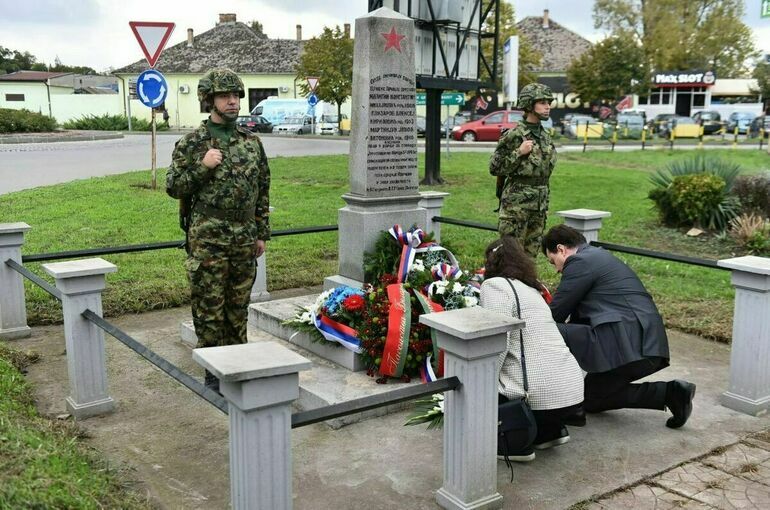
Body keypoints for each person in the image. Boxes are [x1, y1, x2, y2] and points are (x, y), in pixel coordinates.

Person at [166, 69, 271, 394]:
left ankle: (237, 366)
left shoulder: (251, 143)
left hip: (243, 236)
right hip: (208, 237)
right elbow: (173, 186)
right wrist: (203, 166)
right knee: (209, 305)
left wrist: (261, 232)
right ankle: (213, 373)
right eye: (226, 96)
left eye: (237, 96)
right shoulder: (193, 142)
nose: (233, 101)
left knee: (238, 305)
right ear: (209, 99)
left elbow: (263, 187)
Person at [542, 224, 696, 429]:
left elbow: (555, 314)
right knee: (590, 398)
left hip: (626, 342)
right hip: (645, 342)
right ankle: (671, 393)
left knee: (544, 330)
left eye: (553, 262)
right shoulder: (599, 257)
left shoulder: (580, 262)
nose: (557, 269)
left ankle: (546, 399)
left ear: (561, 249)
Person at [480, 235, 584, 462]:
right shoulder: (532, 289)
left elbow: (497, 342)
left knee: (477, 385)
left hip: (538, 396)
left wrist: (482, 382)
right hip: (572, 390)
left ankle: (517, 441)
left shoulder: (496, 286)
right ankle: (549, 431)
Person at [489, 83, 556, 257]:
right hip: (516, 206)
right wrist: (518, 152)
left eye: (549, 102)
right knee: (512, 254)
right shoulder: (514, 135)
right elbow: (495, 167)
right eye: (542, 102)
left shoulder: (545, 136)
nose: (547, 106)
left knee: (531, 254)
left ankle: (526, 283)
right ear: (529, 104)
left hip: (539, 204)